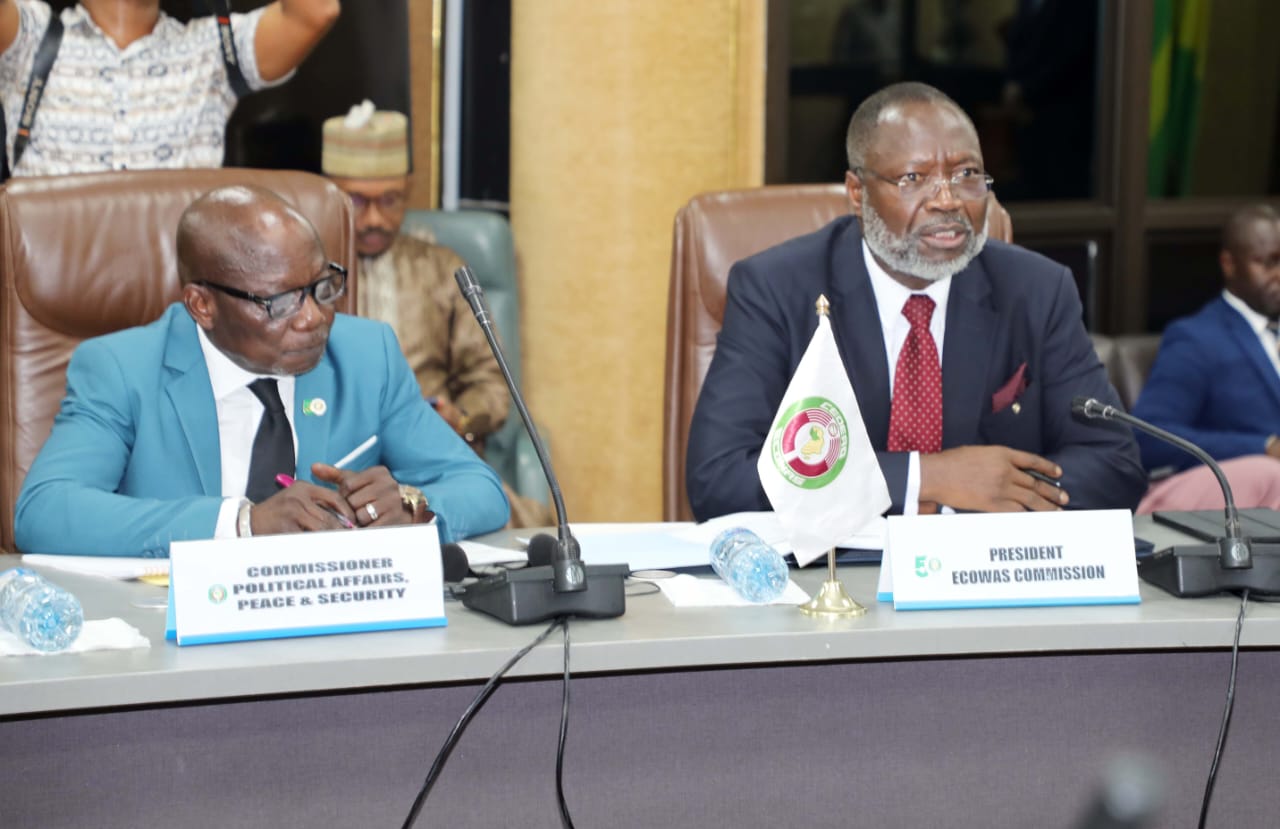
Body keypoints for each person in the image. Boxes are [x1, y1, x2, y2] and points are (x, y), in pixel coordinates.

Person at [686, 81, 1146, 521]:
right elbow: (720, 479)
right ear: (857, 194)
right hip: (836, 567)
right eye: (913, 178)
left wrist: (967, 504)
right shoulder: (775, 289)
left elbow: (1114, 465)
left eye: (966, 175)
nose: (947, 200)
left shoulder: (1037, 290)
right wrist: (926, 478)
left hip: (979, 565)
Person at [14, 184, 509, 557]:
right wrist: (242, 523)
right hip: (181, 637)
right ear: (202, 305)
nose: (312, 317)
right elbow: (44, 512)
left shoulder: (365, 357)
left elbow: (480, 489)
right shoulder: (123, 370)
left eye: (321, 287)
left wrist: (411, 507)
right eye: (279, 301)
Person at [322, 101, 552, 528]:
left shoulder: (441, 269)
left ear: (408, 190)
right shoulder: (305, 273)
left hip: (427, 464)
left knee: (522, 527)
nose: (374, 219)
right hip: (332, 463)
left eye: (390, 200)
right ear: (327, 194)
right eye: (357, 201)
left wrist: (458, 418)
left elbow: (492, 386)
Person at [0, 0, 340, 176]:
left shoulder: (212, 49)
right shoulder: (31, 38)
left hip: (176, 289)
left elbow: (315, 12)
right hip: (47, 285)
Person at [1131, 204, 1280, 512]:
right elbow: (1150, 435)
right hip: (1239, 491)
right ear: (1229, 264)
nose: (1279, 274)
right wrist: (1263, 447)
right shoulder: (1196, 338)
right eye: (1267, 262)